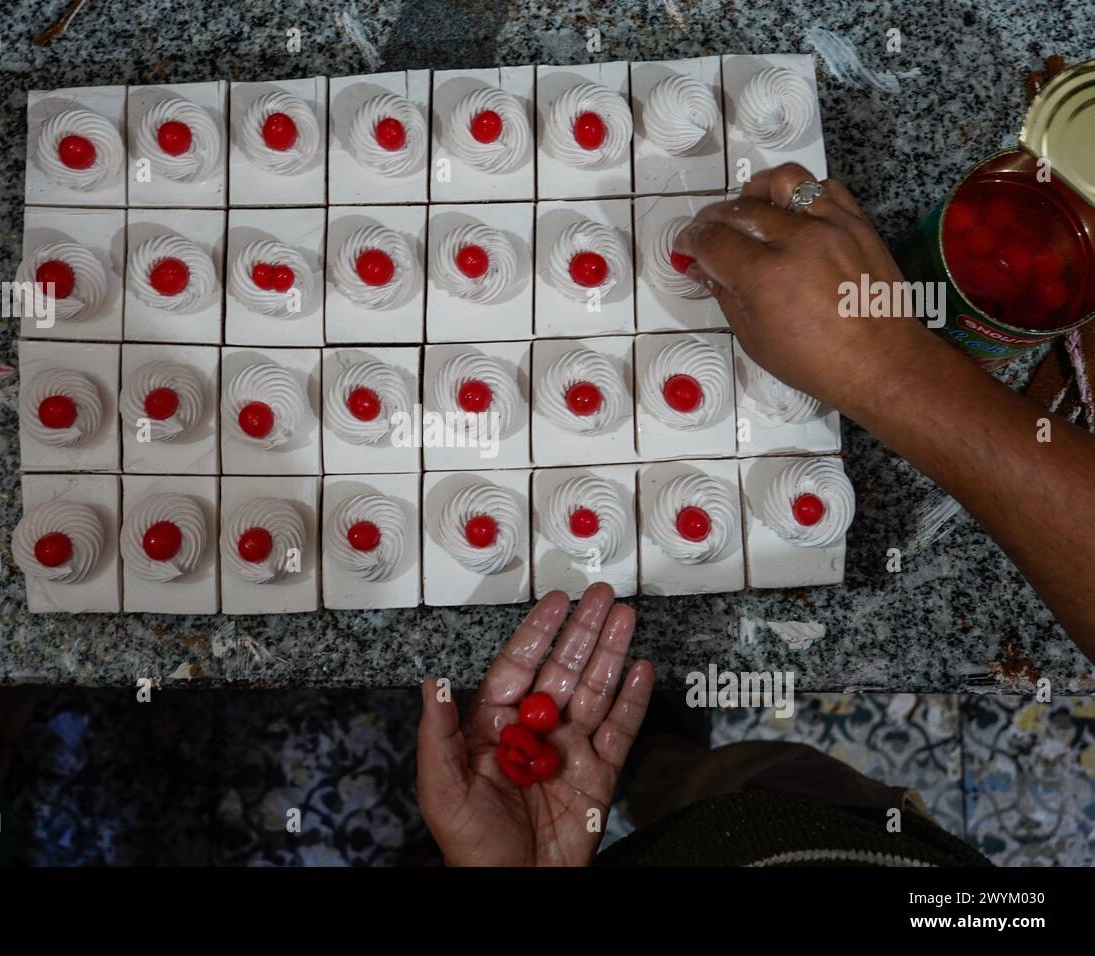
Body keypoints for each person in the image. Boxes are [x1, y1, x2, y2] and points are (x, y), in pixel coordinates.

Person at [416, 163, 1095, 866]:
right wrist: (888, 367)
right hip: (842, 841)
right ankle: (674, 768)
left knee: (741, 788)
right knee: (774, 782)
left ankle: (671, 775)